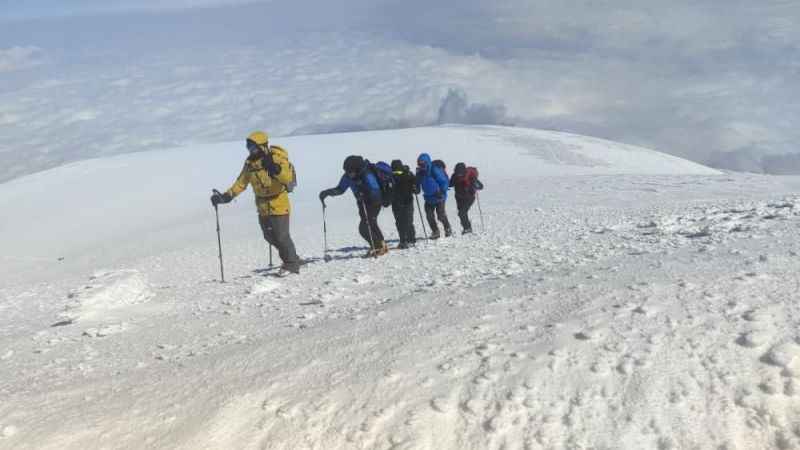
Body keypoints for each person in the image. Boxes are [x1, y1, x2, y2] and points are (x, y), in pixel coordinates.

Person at [210, 131, 301, 275]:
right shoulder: (250, 164)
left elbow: (287, 178)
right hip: (262, 205)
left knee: (281, 236)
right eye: (249, 148)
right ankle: (292, 257)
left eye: (254, 147)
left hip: (279, 202)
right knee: (269, 236)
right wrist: (226, 196)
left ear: (262, 146)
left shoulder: (277, 158)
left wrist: (275, 169)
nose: (251, 151)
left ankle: (291, 264)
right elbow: (241, 183)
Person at [319, 155, 389, 257]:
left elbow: (375, 191)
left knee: (364, 227)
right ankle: (382, 245)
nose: (348, 173)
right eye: (347, 171)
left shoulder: (366, 174)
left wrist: (364, 194)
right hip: (362, 203)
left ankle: (378, 247)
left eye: (350, 171)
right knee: (371, 223)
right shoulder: (348, 176)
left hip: (373, 203)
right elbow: (340, 189)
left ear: (356, 169)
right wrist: (327, 193)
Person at [416, 153, 452, 239]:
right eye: (419, 163)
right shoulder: (419, 172)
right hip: (428, 197)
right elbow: (417, 183)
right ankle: (435, 231)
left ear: (427, 162)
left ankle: (447, 228)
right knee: (429, 216)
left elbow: (444, 181)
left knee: (440, 215)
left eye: (422, 163)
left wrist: (442, 191)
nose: (421, 165)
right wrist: (416, 188)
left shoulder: (434, 169)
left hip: (439, 196)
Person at [390, 159, 419, 249]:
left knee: (408, 221)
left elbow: (417, 188)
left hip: (408, 201)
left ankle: (411, 239)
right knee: (399, 222)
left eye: (398, 171)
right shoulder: (391, 177)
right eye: (394, 172)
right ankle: (403, 240)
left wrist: (415, 189)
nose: (397, 174)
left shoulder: (409, 175)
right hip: (396, 203)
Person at [449, 162, 484, 234]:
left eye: (460, 173)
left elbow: (481, 186)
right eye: (457, 172)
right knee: (461, 214)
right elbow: (450, 184)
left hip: (469, 198)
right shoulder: (454, 176)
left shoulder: (470, 177)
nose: (459, 175)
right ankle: (466, 227)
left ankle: (467, 228)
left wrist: (475, 185)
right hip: (459, 197)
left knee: (462, 213)